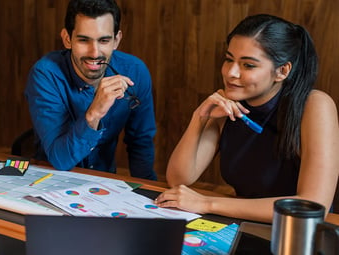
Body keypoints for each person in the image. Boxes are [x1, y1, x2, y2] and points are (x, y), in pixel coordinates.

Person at [155, 14, 339, 222]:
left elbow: (313, 206)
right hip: (243, 222)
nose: (231, 73)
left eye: (248, 65)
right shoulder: (227, 105)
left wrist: (208, 203)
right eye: (229, 59)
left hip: (297, 234)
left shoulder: (315, 105)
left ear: (282, 71)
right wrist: (200, 118)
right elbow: (179, 179)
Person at [25, 0, 157, 180]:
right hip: (51, 177)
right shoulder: (46, 74)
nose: (95, 53)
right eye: (83, 40)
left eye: (104, 40)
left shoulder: (135, 71)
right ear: (67, 39)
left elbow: (140, 143)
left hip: (103, 181)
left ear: (116, 40)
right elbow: (60, 160)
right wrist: (95, 113)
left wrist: (147, 197)